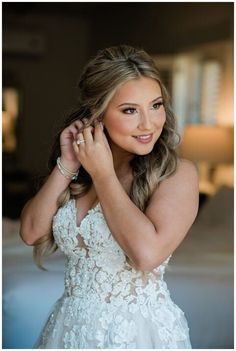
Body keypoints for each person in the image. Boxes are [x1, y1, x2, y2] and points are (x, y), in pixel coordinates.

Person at [20, 45, 199, 349]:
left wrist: (104, 176)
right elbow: (30, 232)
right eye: (130, 110)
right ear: (97, 113)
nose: (148, 123)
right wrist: (67, 164)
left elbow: (145, 255)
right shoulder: (81, 171)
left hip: (135, 335)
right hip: (68, 328)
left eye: (155, 106)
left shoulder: (177, 173)